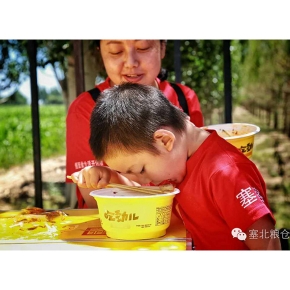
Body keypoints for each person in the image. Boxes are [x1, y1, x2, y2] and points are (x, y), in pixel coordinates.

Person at [70, 82, 281, 250]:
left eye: (140, 170)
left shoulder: (225, 173)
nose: (141, 180)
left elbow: (268, 242)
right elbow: (148, 195)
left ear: (164, 140)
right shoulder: (177, 160)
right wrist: (110, 178)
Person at [66, 40, 204, 209]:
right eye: (116, 51)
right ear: (101, 53)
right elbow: (93, 200)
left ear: (162, 48)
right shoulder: (85, 108)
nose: (131, 63)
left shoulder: (184, 97)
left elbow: (199, 174)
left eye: (143, 47)